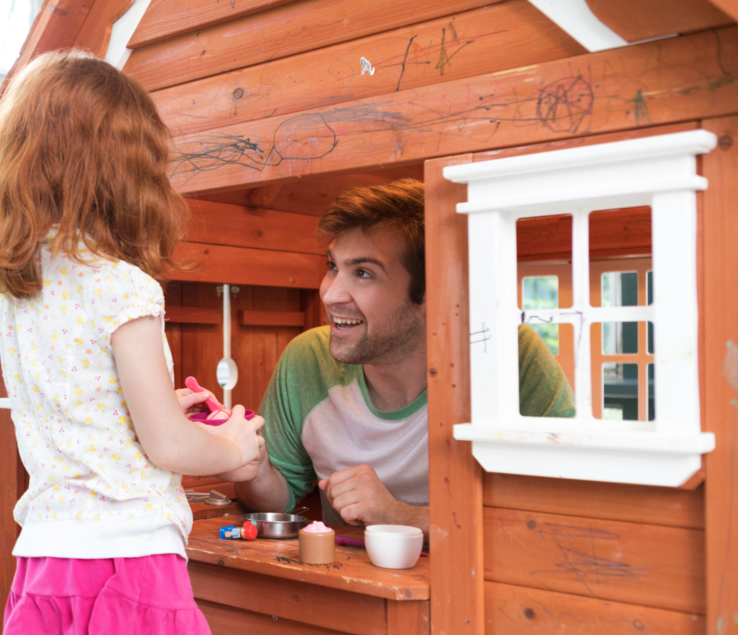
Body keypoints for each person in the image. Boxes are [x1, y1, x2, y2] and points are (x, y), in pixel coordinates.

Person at [0, 50, 264, 635]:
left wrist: (150, 409)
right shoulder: (125, 288)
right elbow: (168, 446)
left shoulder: (21, 291)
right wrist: (233, 444)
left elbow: (76, 406)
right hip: (128, 552)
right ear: (128, 170)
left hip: (51, 553)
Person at [220, 180, 575, 534]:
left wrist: (400, 517)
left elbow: (562, 509)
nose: (329, 295)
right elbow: (280, 500)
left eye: (363, 273)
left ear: (433, 292)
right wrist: (254, 469)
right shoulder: (306, 358)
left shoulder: (508, 356)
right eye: (332, 266)